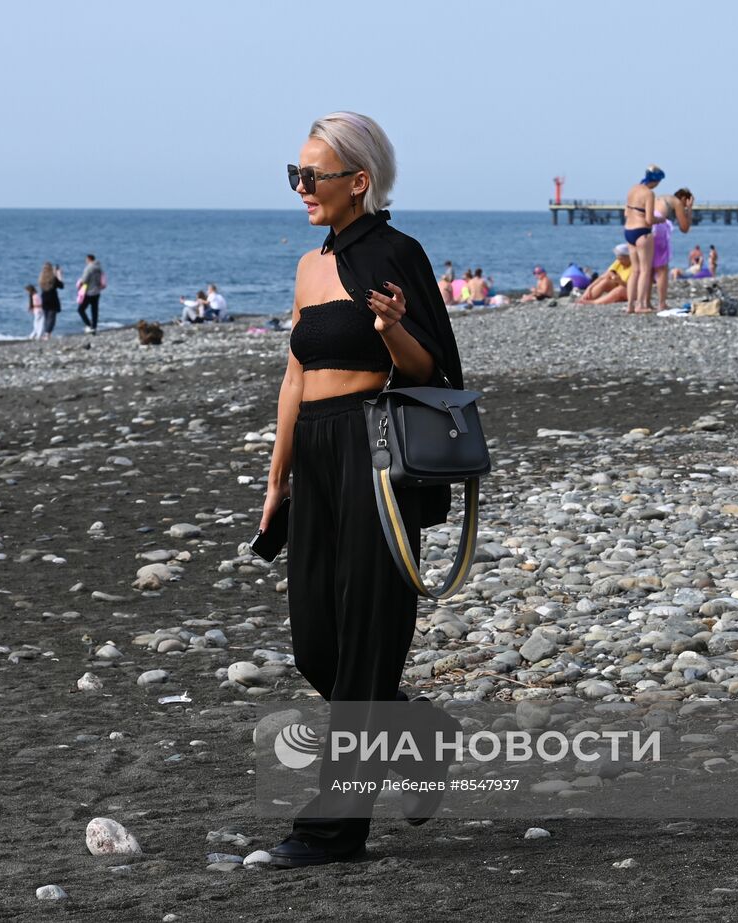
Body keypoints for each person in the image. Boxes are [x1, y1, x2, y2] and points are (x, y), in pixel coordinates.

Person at [264, 111, 464, 869]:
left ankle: (333, 828)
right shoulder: (312, 265)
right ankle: (418, 733)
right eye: (296, 175)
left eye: (312, 176)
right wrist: (277, 475)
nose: (301, 187)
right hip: (314, 453)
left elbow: (433, 372)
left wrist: (390, 330)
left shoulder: (396, 253)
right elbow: (293, 373)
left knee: (366, 643)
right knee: (317, 640)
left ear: (360, 181)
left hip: (376, 452)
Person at [622, 165, 667, 314]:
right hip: (642, 232)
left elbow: (626, 212)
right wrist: (660, 220)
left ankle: (630, 305)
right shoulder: (649, 194)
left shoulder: (632, 189)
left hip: (628, 231)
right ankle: (641, 304)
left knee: (634, 271)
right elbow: (649, 219)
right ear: (655, 181)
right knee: (645, 270)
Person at [651, 187, 694, 310]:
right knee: (662, 269)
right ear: (685, 198)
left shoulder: (661, 198)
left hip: (645, 225)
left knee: (647, 268)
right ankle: (662, 303)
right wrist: (689, 210)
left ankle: (644, 302)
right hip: (658, 227)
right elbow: (685, 228)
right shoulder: (677, 201)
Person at [78, 254, 104, 334]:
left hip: (89, 292)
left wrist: (79, 285)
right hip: (97, 291)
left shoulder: (89, 268)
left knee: (80, 309)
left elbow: (85, 280)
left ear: (89, 259)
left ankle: (88, 324)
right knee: (94, 310)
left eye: (86, 260)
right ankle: (94, 327)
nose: (86, 261)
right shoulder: (99, 268)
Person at [38, 262, 64, 339]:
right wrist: (59, 275)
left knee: (46, 317)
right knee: (52, 317)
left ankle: (46, 333)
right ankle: (47, 333)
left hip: (44, 298)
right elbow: (61, 286)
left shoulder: (41, 278)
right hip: (53, 298)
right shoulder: (53, 278)